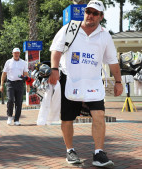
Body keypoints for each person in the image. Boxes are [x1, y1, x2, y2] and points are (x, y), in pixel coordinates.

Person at [48, 0, 123, 167]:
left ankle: (99, 153)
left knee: (99, 115)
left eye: (95, 13)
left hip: (93, 82)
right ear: (84, 13)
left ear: (101, 17)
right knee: (67, 119)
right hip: (69, 80)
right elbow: (56, 49)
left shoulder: (105, 35)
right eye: (88, 11)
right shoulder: (70, 28)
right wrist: (54, 69)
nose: (90, 15)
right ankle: (70, 151)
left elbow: (112, 60)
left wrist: (118, 82)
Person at [0, 47, 29, 126]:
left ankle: (16, 119)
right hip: (10, 83)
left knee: (19, 102)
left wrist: (28, 85)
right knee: (10, 100)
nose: (16, 54)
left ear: (19, 54)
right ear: (12, 53)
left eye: (18, 53)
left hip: (20, 83)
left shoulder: (23, 62)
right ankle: (9, 116)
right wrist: (1, 84)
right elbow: (4, 74)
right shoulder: (8, 62)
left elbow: (26, 74)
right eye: (15, 53)